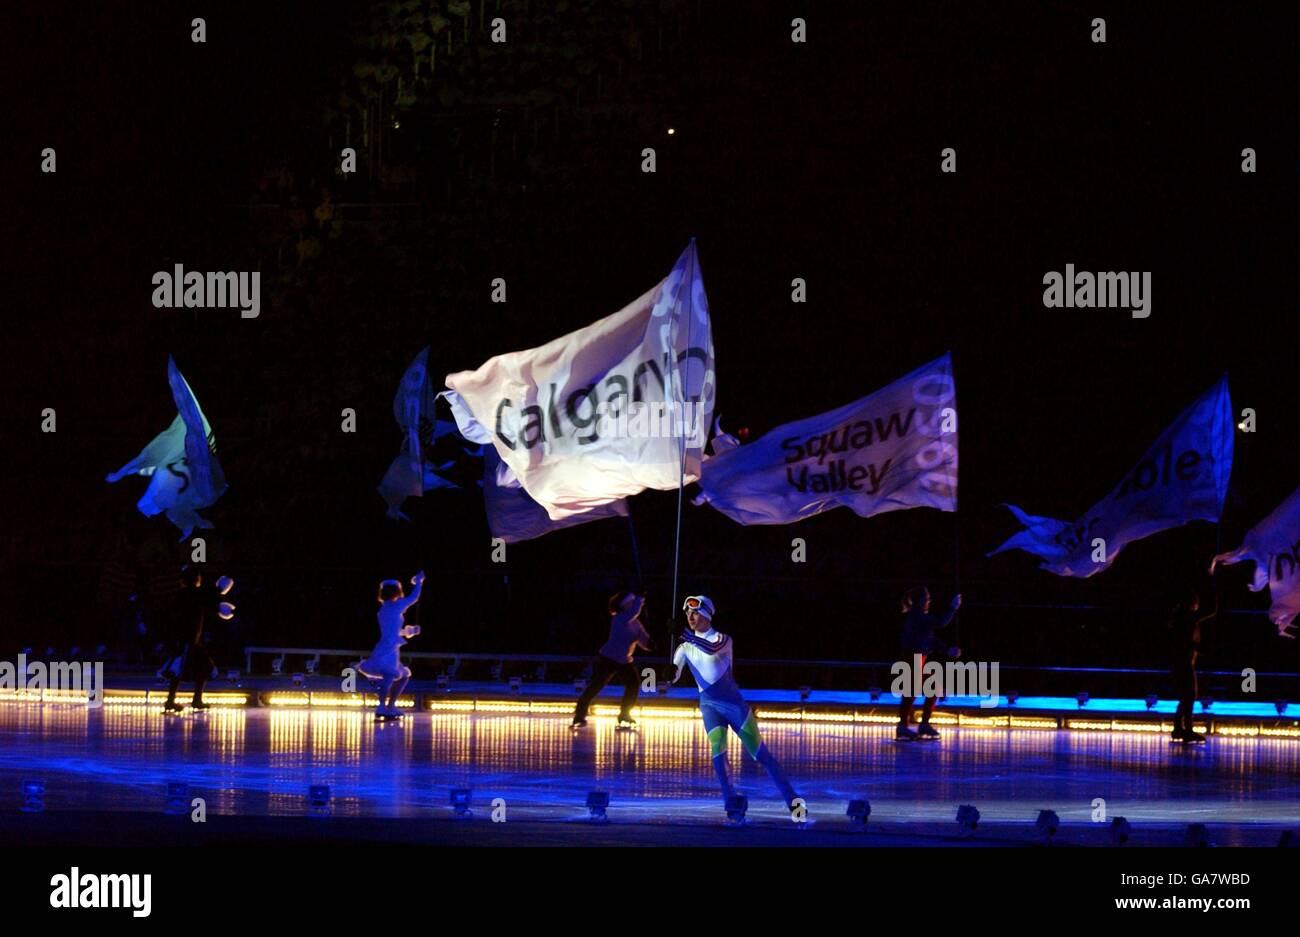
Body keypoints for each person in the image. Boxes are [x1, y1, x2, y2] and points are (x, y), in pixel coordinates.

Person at [667, 595, 801, 817]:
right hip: (709, 706)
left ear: (707, 614)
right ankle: (731, 803)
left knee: (761, 756)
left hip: (734, 706)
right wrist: (669, 675)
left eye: (696, 612)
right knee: (718, 751)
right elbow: (674, 672)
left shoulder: (723, 639)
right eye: (688, 613)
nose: (690, 616)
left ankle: (794, 803)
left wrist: (684, 634)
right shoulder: (683, 648)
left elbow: (710, 649)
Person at [571, 591, 652, 729]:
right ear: (625, 606)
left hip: (624, 660)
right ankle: (579, 715)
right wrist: (640, 597)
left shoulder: (635, 623)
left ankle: (625, 714)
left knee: (633, 685)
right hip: (609, 658)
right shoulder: (619, 618)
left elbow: (642, 638)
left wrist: (649, 644)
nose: (634, 605)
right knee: (595, 686)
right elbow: (634, 611)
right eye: (631, 603)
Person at [162, 566, 235, 713]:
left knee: (190, 668)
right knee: (184, 669)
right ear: (196, 579)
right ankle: (179, 701)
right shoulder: (195, 594)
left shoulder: (182, 594)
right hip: (189, 639)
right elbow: (212, 596)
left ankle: (190, 700)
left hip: (188, 639)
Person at [896, 587, 961, 741]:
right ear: (919, 601)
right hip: (912, 657)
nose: (929, 601)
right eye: (927, 598)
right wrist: (953, 608)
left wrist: (947, 650)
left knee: (921, 689)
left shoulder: (920, 616)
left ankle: (913, 725)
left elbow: (930, 639)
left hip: (917, 657)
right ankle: (906, 726)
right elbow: (940, 623)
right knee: (913, 690)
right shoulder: (917, 615)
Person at [357, 572, 425, 719]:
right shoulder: (396, 605)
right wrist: (419, 582)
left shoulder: (384, 609)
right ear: (397, 591)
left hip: (387, 645)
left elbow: (392, 631)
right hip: (389, 647)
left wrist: (410, 631)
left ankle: (389, 706)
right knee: (390, 675)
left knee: (401, 675)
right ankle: (383, 706)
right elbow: (414, 598)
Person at [1168, 590, 1214, 743]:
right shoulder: (1188, 617)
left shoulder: (1179, 617)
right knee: (1189, 695)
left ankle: (1179, 728)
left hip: (1179, 661)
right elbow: (1212, 609)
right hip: (1184, 662)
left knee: (1186, 696)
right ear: (1193, 604)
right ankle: (1185, 729)